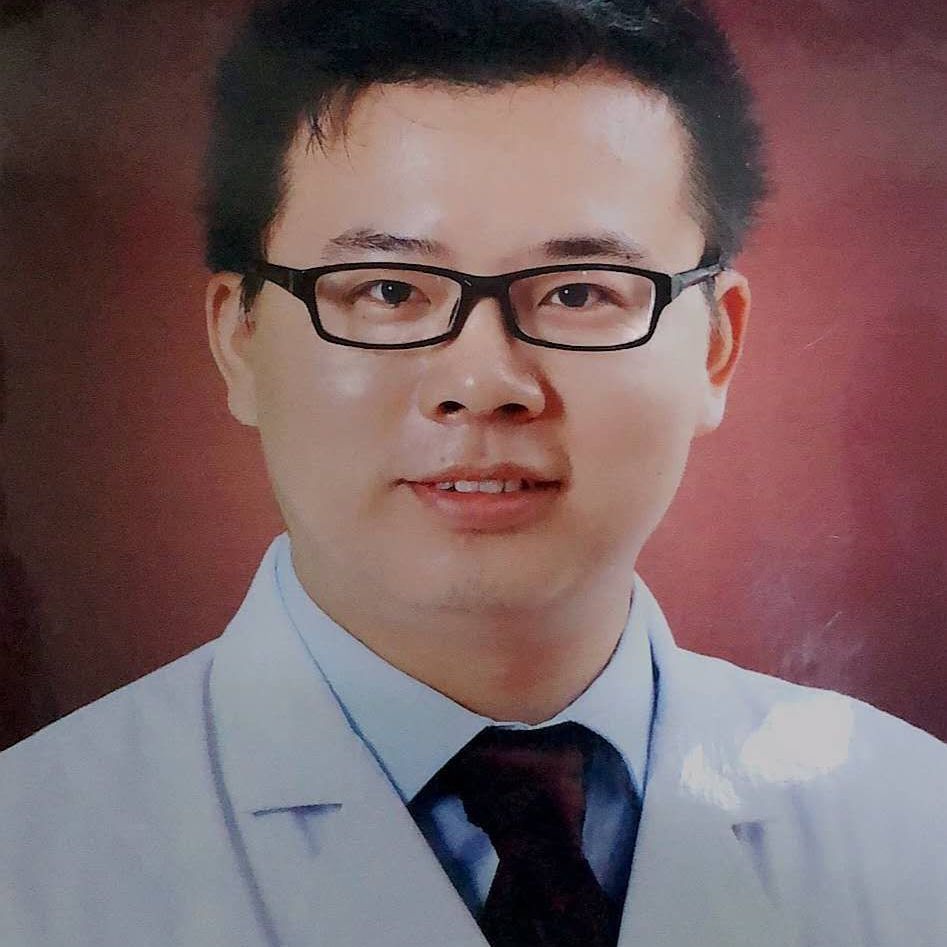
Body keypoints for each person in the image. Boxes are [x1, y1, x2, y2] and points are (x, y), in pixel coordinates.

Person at [2, 0, 944, 944]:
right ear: (239, 340)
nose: (483, 383)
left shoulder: (914, 827)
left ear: (714, 349)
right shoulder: (33, 855)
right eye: (388, 290)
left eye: (579, 291)